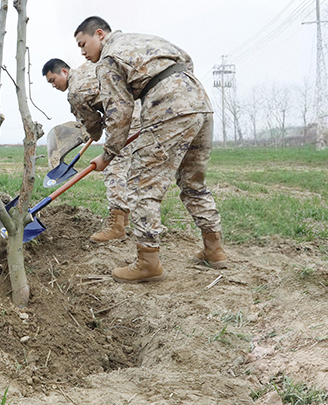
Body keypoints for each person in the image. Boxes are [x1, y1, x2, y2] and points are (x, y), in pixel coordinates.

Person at [73, 16, 227, 283]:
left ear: (99, 34)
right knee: (194, 183)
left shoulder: (108, 59)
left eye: (83, 44)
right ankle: (214, 250)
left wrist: (108, 154)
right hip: (200, 102)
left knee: (141, 185)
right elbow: (186, 59)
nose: (83, 53)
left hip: (168, 109)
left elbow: (119, 111)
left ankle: (148, 262)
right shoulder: (143, 40)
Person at [42, 58, 141, 243]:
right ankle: (124, 221)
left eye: (53, 80)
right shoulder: (86, 69)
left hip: (126, 120)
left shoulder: (75, 92)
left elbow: (93, 125)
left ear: (64, 71)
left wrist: (94, 133)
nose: (53, 85)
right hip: (136, 110)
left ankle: (116, 226)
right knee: (127, 169)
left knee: (114, 168)